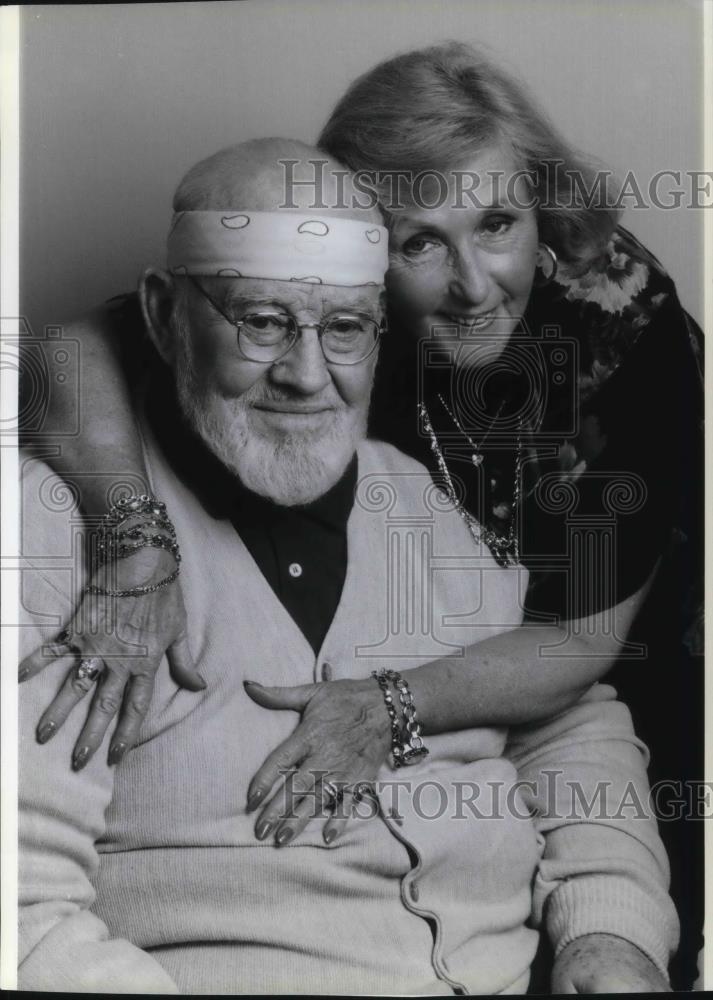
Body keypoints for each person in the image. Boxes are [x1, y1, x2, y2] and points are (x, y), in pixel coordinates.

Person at [21, 42, 703, 985]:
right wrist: (135, 541)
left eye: (499, 222)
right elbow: (60, 350)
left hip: (633, 651)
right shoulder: (59, 519)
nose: (471, 284)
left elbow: (574, 672)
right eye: (420, 240)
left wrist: (610, 931)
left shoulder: (621, 330)